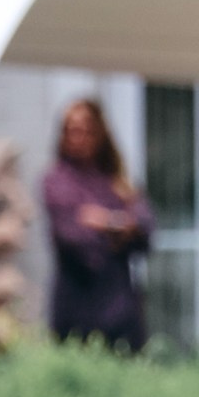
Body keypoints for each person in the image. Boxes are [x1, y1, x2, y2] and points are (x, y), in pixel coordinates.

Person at [41, 98, 153, 350]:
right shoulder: (58, 181)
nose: (79, 138)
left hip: (122, 308)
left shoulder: (117, 181)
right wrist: (122, 228)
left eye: (86, 130)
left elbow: (145, 226)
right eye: (72, 130)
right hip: (78, 308)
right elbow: (75, 238)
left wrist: (105, 221)